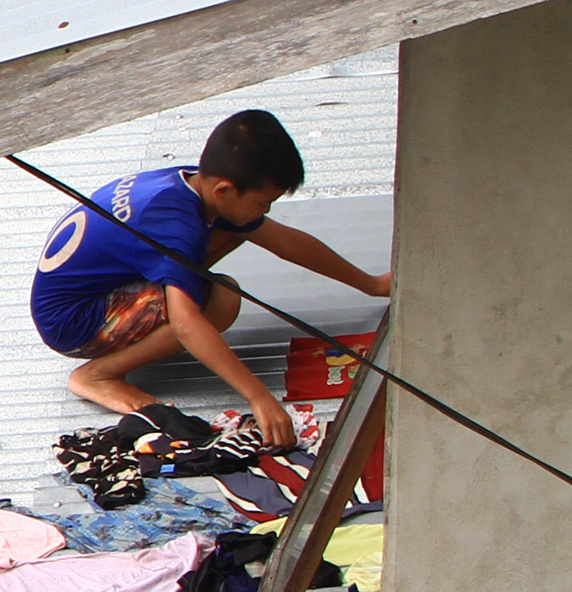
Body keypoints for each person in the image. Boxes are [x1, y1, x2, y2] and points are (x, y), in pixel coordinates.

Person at [29, 107, 390, 448]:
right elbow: (187, 324)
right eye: (263, 203)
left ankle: (142, 328)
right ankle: (98, 375)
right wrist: (258, 396)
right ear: (225, 190)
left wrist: (371, 284)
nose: (265, 211)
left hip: (96, 292)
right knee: (222, 298)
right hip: (75, 323)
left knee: (237, 227)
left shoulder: (192, 183)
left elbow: (284, 241)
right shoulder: (175, 223)